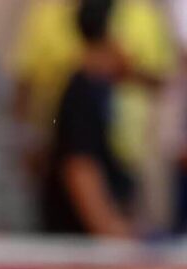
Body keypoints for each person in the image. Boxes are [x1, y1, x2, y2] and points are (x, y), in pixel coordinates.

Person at [42, 0, 138, 237]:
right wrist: (111, 230)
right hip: (79, 241)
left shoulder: (101, 87)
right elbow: (80, 168)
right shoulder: (82, 91)